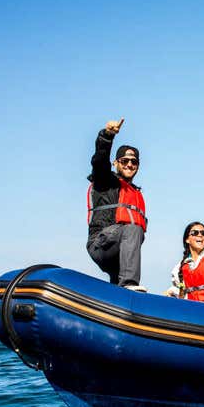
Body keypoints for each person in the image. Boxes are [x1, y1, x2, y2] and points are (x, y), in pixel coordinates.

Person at [86, 118, 147, 291]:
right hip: (101, 242)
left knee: (135, 231)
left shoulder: (135, 192)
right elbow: (99, 160)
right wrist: (107, 136)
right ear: (115, 163)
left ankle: (120, 296)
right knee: (133, 228)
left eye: (134, 162)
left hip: (119, 254)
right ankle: (129, 284)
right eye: (124, 160)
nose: (129, 164)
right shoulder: (105, 181)